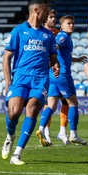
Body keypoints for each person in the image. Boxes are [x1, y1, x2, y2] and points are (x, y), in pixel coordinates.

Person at [1, 0, 59, 165]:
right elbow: (6, 58)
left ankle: (17, 154)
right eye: (45, 11)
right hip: (20, 77)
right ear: (36, 11)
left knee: (32, 109)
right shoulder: (18, 31)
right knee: (14, 112)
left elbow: (53, 56)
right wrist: (8, 81)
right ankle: (10, 136)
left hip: (40, 79)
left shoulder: (48, 34)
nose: (48, 14)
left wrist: (55, 65)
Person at [36, 15, 88, 146]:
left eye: (73, 23)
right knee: (73, 103)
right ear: (62, 26)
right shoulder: (63, 36)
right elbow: (55, 48)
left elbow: (62, 54)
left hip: (53, 75)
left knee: (52, 105)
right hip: (63, 74)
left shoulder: (65, 38)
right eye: (68, 23)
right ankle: (74, 135)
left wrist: (77, 59)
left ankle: (41, 129)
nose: (71, 25)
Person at [39, 9, 69, 145]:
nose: (53, 19)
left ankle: (60, 131)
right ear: (45, 19)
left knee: (64, 101)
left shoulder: (57, 33)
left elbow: (58, 54)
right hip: (44, 72)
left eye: (54, 17)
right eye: (50, 17)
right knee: (49, 104)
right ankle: (47, 131)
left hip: (55, 71)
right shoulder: (40, 33)